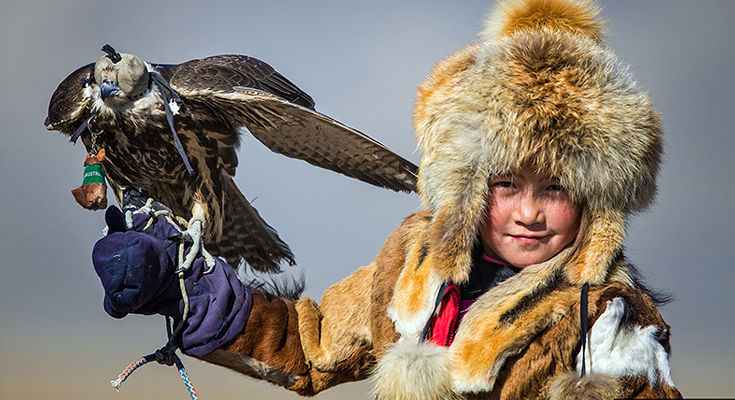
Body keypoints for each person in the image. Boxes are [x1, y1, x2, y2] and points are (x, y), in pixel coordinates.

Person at [90, 0, 683, 398]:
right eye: (505, 184)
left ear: (597, 201)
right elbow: (309, 346)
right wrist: (189, 289)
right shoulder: (412, 269)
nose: (528, 211)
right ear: (467, 186)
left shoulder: (605, 316)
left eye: (555, 188)